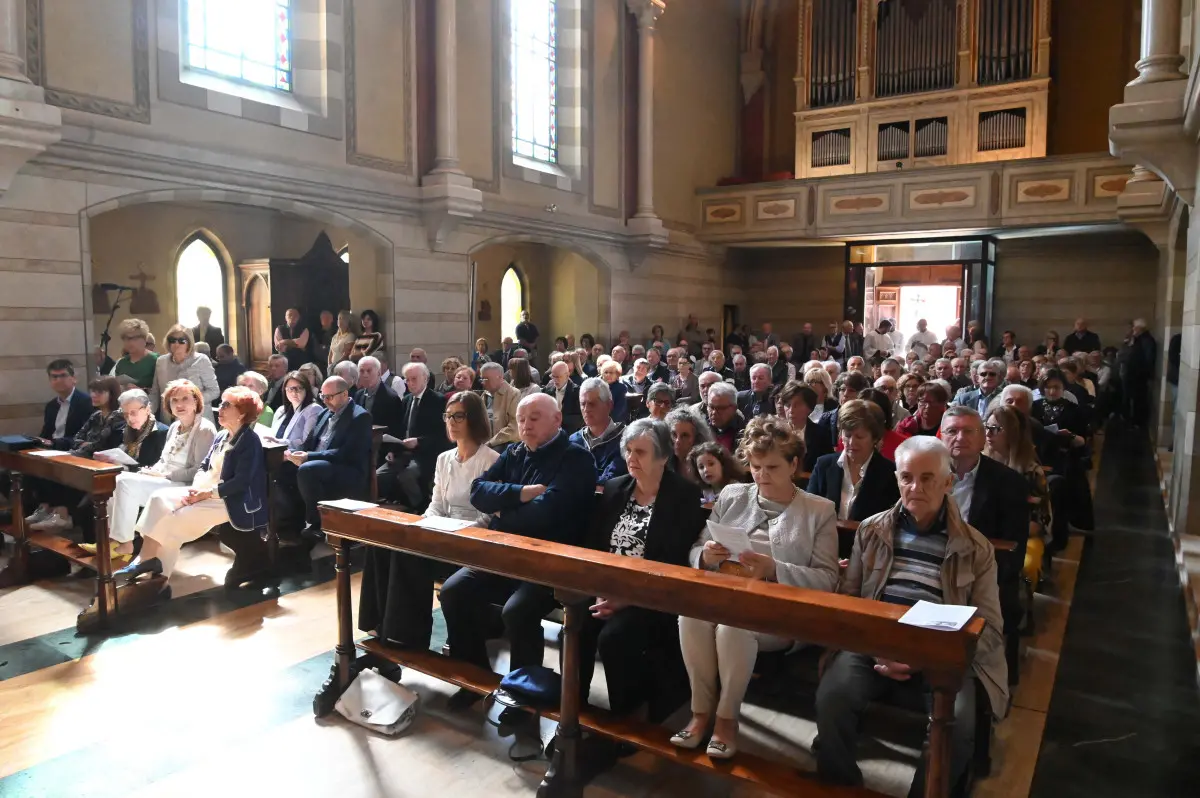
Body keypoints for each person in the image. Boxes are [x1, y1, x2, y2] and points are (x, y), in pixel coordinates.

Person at [817, 436, 1008, 796]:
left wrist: (927, 655)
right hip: (874, 643)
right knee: (833, 698)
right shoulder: (871, 530)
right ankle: (839, 786)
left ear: (948, 483)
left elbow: (991, 629)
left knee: (957, 726)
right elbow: (851, 599)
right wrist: (876, 647)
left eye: (927, 478)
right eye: (906, 477)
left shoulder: (975, 548)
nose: (915, 487)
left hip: (942, 654)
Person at [675, 416, 839, 758]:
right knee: (689, 618)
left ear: (794, 465)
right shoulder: (734, 495)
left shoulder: (818, 511)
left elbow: (828, 579)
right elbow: (696, 550)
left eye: (772, 467)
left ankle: (726, 720)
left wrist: (775, 569)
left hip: (780, 611)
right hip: (726, 594)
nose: (762, 476)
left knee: (732, 630)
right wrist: (706, 556)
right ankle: (699, 713)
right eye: (755, 466)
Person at [439, 394, 597, 702]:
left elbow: (546, 514)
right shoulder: (514, 452)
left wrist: (503, 510)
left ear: (557, 420)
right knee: (454, 592)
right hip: (503, 552)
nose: (525, 425)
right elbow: (478, 492)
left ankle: (522, 695)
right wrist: (522, 493)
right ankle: (475, 677)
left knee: (517, 611)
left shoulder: (575, 459)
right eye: (521, 419)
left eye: (534, 418)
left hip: (549, 560)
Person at [578, 419, 706, 720]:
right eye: (629, 451)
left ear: (663, 457)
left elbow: (675, 561)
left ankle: (628, 718)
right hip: (608, 588)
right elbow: (595, 545)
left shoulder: (683, 496)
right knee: (577, 626)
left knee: (614, 639)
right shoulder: (614, 488)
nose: (631, 459)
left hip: (656, 595)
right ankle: (576, 709)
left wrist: (628, 598)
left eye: (642, 453)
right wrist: (601, 591)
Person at [359, 392, 500, 649]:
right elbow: (436, 504)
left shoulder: (490, 460)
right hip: (442, 533)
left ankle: (407, 638)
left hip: (474, 541)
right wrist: (426, 524)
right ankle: (381, 628)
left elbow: (488, 517)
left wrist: (454, 531)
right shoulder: (444, 459)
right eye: (448, 416)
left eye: (459, 416)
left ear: (475, 419)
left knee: (407, 556)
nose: (452, 422)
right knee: (383, 546)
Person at [114, 386, 270, 593]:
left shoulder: (249, 440)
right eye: (221, 403)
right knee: (159, 498)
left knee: (172, 523)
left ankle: (156, 576)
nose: (219, 409)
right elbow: (204, 467)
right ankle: (149, 564)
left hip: (230, 501)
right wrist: (195, 490)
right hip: (204, 493)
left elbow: (241, 482)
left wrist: (206, 493)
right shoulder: (222, 436)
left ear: (242, 412)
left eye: (226, 405)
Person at [940, 406, 1030, 679]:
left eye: (969, 431)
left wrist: (973, 579)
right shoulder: (927, 473)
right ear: (941, 437)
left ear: (982, 439)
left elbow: (1014, 550)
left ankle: (987, 679)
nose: (960, 438)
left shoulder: (1008, 483)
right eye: (952, 431)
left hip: (983, 574)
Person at [98, 380, 218, 559]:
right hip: (165, 479)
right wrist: (150, 471)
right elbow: (164, 460)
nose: (179, 404)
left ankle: (125, 543)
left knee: (123, 481)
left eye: (185, 399)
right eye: (174, 400)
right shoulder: (175, 427)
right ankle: (114, 540)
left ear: (196, 402)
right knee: (115, 479)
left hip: (183, 484)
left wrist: (164, 474)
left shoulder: (205, 429)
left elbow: (199, 471)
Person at [25, 376, 128, 531]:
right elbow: (77, 438)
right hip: (81, 454)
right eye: (92, 391)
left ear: (112, 393)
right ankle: (46, 509)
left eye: (99, 391)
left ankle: (63, 516)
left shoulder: (118, 417)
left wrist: (86, 445)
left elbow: (104, 444)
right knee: (44, 467)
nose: (93, 395)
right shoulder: (95, 415)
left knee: (65, 471)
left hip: (99, 461)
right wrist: (84, 445)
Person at [286, 376, 374, 540]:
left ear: (344, 394)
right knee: (284, 467)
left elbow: (347, 453)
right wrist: (293, 453)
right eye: (322, 396)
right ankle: (289, 522)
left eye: (329, 397)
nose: (325, 401)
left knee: (308, 470)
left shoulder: (359, 416)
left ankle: (317, 524)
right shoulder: (325, 413)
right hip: (321, 463)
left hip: (347, 469)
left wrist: (309, 457)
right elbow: (310, 442)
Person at [808, 400, 899, 534]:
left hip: (868, 548)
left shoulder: (889, 472)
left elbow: (890, 523)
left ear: (875, 438)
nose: (851, 442)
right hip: (825, 543)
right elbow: (809, 509)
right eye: (847, 435)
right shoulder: (824, 465)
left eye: (860, 437)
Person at [984, 404, 1052, 581]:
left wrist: (1005, 533)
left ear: (1013, 433)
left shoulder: (1031, 472)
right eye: (987, 427)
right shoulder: (979, 465)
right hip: (984, 535)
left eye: (996, 429)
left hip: (1020, 536)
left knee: (1023, 565)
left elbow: (1040, 521)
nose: (988, 434)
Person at [377, 363, 449, 510]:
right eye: (407, 380)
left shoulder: (438, 401)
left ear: (426, 379)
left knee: (407, 475)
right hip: (402, 452)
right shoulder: (406, 400)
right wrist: (391, 450)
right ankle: (401, 503)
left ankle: (422, 507)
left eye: (414, 379)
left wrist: (419, 442)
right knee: (379, 475)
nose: (410, 383)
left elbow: (442, 435)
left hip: (426, 454)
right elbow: (399, 430)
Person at [148, 324, 220, 422]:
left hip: (198, 421)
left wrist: (191, 402)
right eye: (172, 340)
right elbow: (155, 393)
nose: (176, 344)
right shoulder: (161, 361)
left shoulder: (201, 360)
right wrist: (147, 413)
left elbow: (214, 391)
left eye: (181, 341)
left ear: (189, 342)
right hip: (169, 421)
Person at [569, 377, 629, 483]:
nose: (586, 409)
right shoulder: (574, 440)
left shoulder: (625, 440)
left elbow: (610, 480)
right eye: (583, 404)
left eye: (592, 404)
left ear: (609, 405)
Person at [777, 381, 833, 471]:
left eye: (797, 405)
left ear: (810, 408)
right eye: (788, 405)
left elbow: (827, 468)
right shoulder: (777, 433)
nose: (791, 410)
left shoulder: (822, 434)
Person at [38, 359, 92, 446]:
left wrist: (55, 443)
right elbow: (45, 435)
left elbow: (85, 436)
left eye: (63, 375)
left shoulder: (86, 402)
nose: (59, 380)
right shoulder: (51, 406)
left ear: (74, 379)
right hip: (51, 450)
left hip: (73, 451)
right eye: (54, 377)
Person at [268, 371, 324, 447]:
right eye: (291, 389)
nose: (294, 393)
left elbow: (306, 441)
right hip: (275, 453)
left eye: (299, 388)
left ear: (306, 389)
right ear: (285, 390)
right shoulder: (281, 410)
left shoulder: (314, 409)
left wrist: (279, 442)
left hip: (296, 456)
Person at [665, 407, 713, 484]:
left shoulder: (707, 465)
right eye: (674, 434)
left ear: (696, 438)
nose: (677, 441)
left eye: (685, 435)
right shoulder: (664, 464)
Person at [479, 361, 520, 449]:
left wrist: (491, 443)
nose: (482, 383)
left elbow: (514, 427)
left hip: (507, 443)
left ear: (500, 377)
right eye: (481, 379)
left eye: (486, 379)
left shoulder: (514, 394)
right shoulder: (484, 395)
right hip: (486, 443)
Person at [1126, 317, 1157, 429]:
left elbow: (1148, 359)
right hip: (1136, 375)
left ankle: (1139, 422)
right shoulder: (1139, 339)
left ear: (1140, 328)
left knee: (1140, 400)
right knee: (1136, 399)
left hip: (1140, 376)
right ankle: (1135, 421)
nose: (1133, 329)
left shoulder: (1147, 340)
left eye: (1135, 327)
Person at [112, 318, 159, 390]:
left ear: (144, 339)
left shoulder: (156, 360)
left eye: (134, 338)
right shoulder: (121, 363)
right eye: (125, 338)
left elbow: (161, 389)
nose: (129, 343)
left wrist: (141, 389)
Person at [543, 360, 583, 433]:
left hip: (569, 433)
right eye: (553, 376)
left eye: (558, 377)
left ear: (567, 375)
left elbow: (580, 418)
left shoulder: (577, 392)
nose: (555, 380)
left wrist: (559, 418)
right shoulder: (548, 388)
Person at [705, 381, 745, 453]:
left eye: (720, 408)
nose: (714, 412)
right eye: (711, 407)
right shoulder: (700, 428)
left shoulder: (744, 433)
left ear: (734, 408)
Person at [273, 307, 311, 372]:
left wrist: (284, 341)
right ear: (285, 317)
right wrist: (296, 344)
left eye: (295, 315)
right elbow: (280, 347)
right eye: (289, 315)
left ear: (298, 317)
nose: (292, 317)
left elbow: (302, 344)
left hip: (300, 363)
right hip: (284, 363)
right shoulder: (279, 329)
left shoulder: (304, 329)